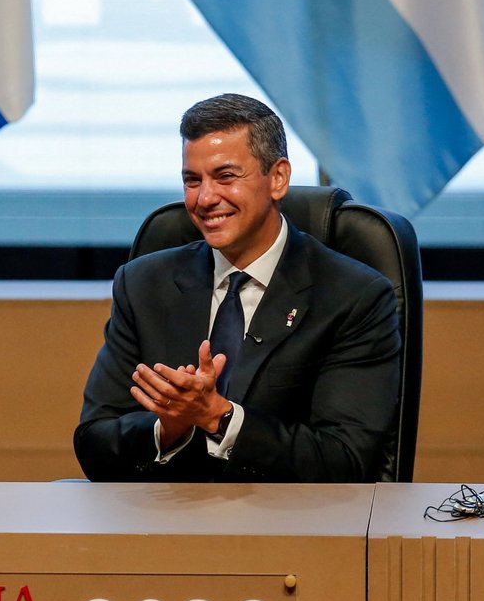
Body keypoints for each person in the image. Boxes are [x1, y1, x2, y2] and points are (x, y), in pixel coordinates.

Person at [74, 94, 401, 482]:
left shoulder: (353, 297)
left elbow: (344, 460)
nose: (205, 198)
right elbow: (94, 443)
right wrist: (169, 428)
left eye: (226, 176)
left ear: (277, 178)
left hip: (290, 516)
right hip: (165, 512)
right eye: (192, 180)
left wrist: (219, 417)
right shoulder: (143, 284)